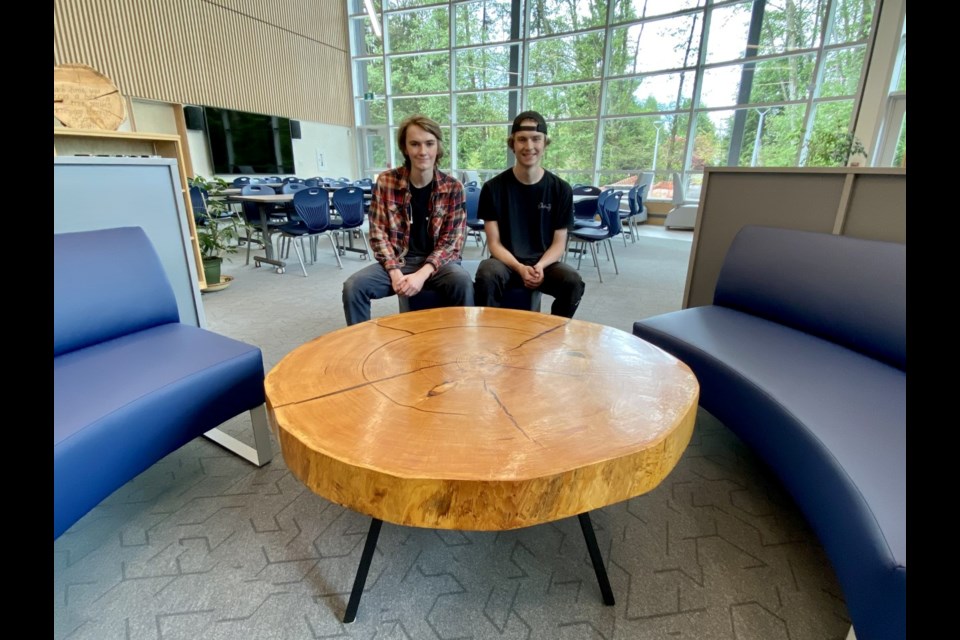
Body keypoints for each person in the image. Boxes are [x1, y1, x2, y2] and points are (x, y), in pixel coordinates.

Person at [341, 114, 474, 325]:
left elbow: (451, 242)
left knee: (462, 281)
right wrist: (394, 272)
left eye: (429, 144)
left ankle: (461, 343)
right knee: (353, 287)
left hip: (439, 264)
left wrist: (421, 274)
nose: (423, 151)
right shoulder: (386, 182)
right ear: (405, 148)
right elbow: (378, 234)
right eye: (415, 144)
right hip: (399, 261)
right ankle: (360, 345)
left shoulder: (453, 187)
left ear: (438, 147)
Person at [474, 111, 586, 318]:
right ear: (513, 144)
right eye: (522, 140)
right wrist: (518, 267)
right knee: (486, 273)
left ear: (545, 143)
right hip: (506, 262)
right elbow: (494, 243)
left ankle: (552, 334)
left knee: (573, 282)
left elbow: (559, 244)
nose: (529, 146)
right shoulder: (493, 188)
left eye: (536, 139)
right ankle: (487, 334)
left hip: (544, 263)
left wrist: (540, 266)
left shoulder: (561, 189)